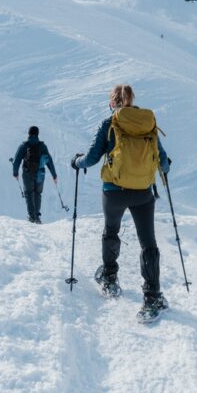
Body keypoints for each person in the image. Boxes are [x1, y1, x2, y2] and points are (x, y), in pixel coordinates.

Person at [71, 84, 171, 321]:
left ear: (112, 103)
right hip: (143, 194)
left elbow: (93, 157)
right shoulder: (147, 124)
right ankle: (152, 297)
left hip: (113, 191)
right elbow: (163, 162)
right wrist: (164, 167)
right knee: (148, 243)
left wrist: (76, 162)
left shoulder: (109, 124)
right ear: (132, 100)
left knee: (111, 231)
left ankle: (109, 276)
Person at [12, 126, 58, 224]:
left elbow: (16, 161)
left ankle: (31, 217)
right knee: (38, 193)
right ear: (38, 134)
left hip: (27, 173)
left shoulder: (24, 146)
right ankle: (37, 216)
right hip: (40, 174)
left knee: (29, 194)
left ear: (28, 133)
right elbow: (49, 161)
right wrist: (54, 175)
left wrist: (15, 173)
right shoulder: (42, 146)